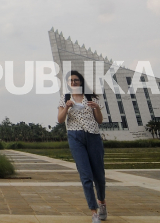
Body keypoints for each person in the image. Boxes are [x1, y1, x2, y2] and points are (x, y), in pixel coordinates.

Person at [57, 70, 107, 223]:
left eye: (76, 80)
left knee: (99, 175)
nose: (73, 82)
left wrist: (96, 108)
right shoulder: (65, 99)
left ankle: (102, 203)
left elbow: (99, 120)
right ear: (68, 83)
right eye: (71, 80)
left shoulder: (90, 98)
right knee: (86, 175)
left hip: (93, 136)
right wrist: (66, 108)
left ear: (80, 82)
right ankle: (94, 212)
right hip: (75, 137)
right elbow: (60, 120)